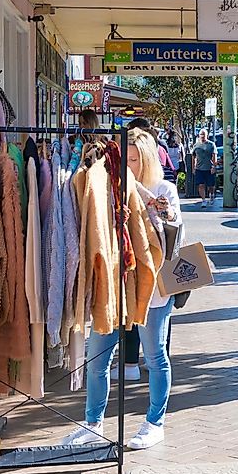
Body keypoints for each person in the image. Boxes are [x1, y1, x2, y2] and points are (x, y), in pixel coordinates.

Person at [63, 128, 178, 450]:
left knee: (155, 355)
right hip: (114, 286)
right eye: (124, 158)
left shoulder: (162, 188)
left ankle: (155, 422)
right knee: (97, 357)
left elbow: (173, 236)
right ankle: (93, 423)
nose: (127, 164)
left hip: (153, 287)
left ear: (148, 158)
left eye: (134, 159)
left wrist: (160, 210)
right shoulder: (110, 185)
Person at [192, 130, 218, 204]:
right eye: (201, 134)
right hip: (199, 168)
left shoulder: (211, 144)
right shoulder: (196, 145)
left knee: (211, 185)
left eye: (204, 134)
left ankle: (212, 195)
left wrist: (214, 166)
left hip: (209, 168)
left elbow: (214, 156)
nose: (202, 136)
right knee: (201, 185)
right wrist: (193, 167)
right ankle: (203, 200)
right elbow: (193, 157)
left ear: (207, 135)